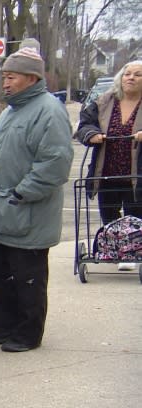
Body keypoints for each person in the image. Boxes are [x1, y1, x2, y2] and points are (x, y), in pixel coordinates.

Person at [0, 47, 74, 352]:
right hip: (1, 209)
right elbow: (4, 148)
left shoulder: (49, 110)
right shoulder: (13, 110)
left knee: (27, 279)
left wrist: (22, 193)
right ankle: (3, 327)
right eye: (4, 77)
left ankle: (27, 334)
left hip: (27, 212)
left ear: (31, 78)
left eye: (10, 77)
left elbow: (55, 163)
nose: (5, 83)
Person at [75, 60, 142, 271]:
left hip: (137, 173)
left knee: (135, 214)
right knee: (109, 215)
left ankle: (132, 251)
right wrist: (92, 134)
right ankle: (115, 249)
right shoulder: (104, 101)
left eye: (137, 75)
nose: (130, 78)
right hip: (106, 171)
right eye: (127, 74)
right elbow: (84, 124)